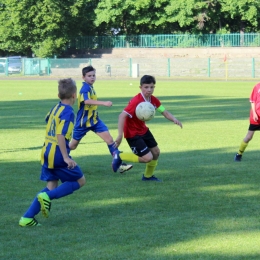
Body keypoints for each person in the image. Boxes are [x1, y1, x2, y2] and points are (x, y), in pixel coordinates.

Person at [19, 78, 86, 227]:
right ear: (74, 95)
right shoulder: (68, 112)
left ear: (59, 95)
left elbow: (47, 120)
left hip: (46, 152)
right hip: (57, 154)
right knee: (80, 180)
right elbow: (60, 135)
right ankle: (46, 197)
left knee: (52, 185)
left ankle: (27, 218)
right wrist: (66, 157)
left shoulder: (56, 107)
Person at [112, 75, 183, 181]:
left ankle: (147, 176)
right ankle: (120, 155)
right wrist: (120, 135)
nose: (149, 90)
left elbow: (164, 111)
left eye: (152, 87)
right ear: (140, 87)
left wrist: (174, 119)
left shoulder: (153, 100)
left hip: (143, 130)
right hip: (132, 133)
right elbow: (122, 116)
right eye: (146, 87)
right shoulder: (136, 101)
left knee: (156, 152)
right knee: (147, 158)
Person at [69, 65, 132, 173]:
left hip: (95, 121)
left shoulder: (90, 87)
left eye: (94, 75)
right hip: (83, 123)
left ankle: (120, 165)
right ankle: (58, 157)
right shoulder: (85, 88)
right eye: (89, 76)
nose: (92, 77)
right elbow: (86, 101)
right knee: (73, 146)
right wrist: (104, 103)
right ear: (83, 77)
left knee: (110, 140)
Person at [234, 82, 260, 161]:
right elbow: (252, 101)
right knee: (249, 137)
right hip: (256, 117)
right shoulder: (257, 86)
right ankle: (239, 154)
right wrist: (254, 113)